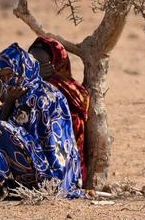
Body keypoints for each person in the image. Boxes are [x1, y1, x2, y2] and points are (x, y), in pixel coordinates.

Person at [0, 43, 81, 199]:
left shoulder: (36, 98)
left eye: (9, 74)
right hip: (50, 174)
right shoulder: (28, 92)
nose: (6, 81)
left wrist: (8, 101)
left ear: (22, 69)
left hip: (51, 180)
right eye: (2, 77)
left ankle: (2, 187)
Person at [27, 37, 89, 184]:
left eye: (41, 64)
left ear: (56, 64)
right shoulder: (29, 86)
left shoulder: (67, 91)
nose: (35, 69)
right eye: (31, 64)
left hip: (65, 171)